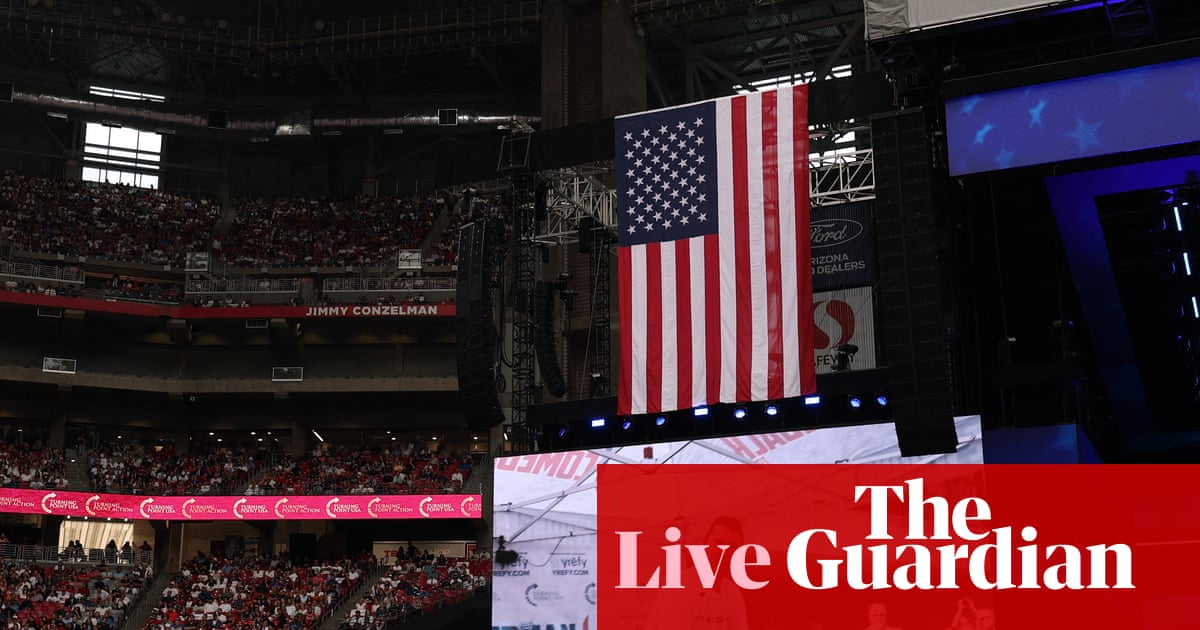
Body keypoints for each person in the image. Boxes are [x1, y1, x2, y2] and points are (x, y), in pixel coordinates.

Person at [644, 516, 750, 630]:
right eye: (719, 543)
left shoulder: (732, 594)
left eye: (733, 547)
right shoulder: (679, 587)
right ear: (705, 544)